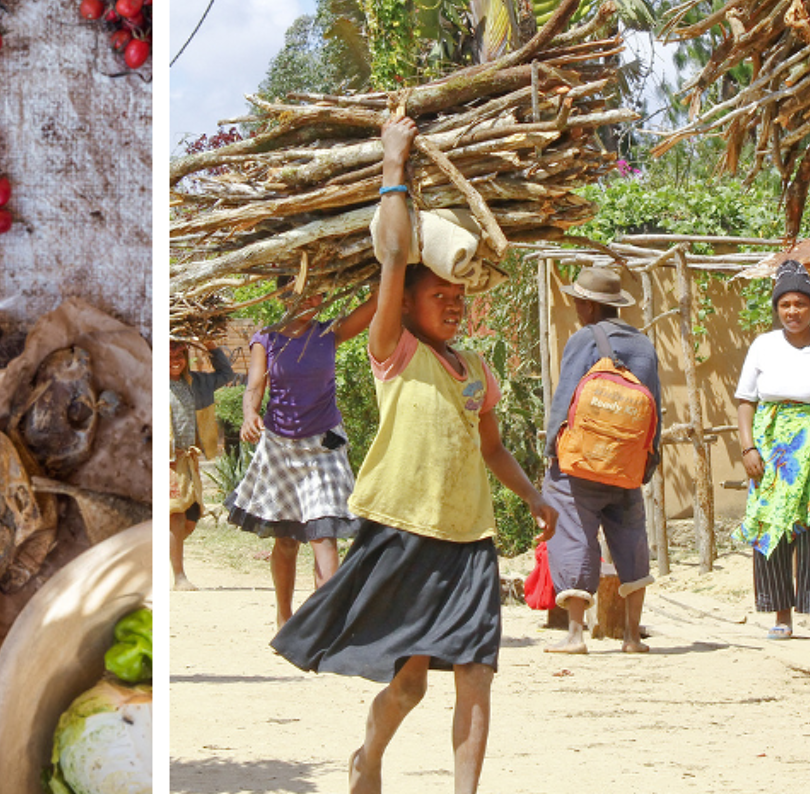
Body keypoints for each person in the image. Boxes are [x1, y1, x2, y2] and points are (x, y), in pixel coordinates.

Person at [271, 113, 556, 794]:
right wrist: (393, 165)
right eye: (441, 296)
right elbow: (394, 257)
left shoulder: (476, 371)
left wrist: (534, 496)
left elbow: (491, 448)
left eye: (460, 297)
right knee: (409, 688)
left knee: (478, 676)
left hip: (469, 542)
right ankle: (368, 757)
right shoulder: (393, 351)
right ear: (410, 306)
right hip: (403, 531)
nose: (453, 306)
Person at [228, 284, 376, 627]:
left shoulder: (328, 333)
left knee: (324, 533)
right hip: (280, 447)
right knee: (287, 539)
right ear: (282, 298)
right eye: (303, 295)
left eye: (318, 295)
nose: (313, 302)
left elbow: (376, 301)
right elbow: (254, 386)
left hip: (323, 445)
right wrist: (250, 415)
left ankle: (327, 624)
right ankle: (284, 615)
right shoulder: (266, 339)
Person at [542, 266, 662, 655]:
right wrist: (647, 461)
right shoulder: (644, 346)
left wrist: (551, 452)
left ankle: (576, 635)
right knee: (630, 537)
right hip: (626, 464)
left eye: (578, 301)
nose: (576, 306)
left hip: (579, 465)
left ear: (589, 306)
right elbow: (655, 407)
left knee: (574, 531)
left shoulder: (583, 340)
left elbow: (565, 400)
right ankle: (630, 636)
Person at [732, 259, 810, 641]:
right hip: (773, 452)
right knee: (773, 526)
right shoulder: (763, 346)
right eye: (785, 305)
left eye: (800, 304)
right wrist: (747, 447)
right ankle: (781, 615)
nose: (792, 312)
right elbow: (746, 401)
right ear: (777, 309)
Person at [169, 342, 234, 591]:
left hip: (188, 459)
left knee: (190, 520)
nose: (175, 360)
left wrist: (212, 348)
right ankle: (179, 577)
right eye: (169, 356)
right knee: (176, 515)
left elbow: (226, 375)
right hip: (166, 462)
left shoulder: (196, 383)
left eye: (180, 355)